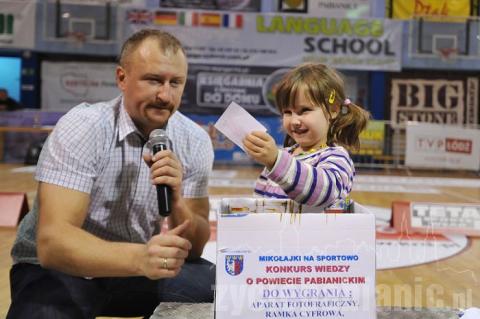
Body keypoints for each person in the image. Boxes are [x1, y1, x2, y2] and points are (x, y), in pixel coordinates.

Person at [8, 29, 214, 318]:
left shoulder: (193, 139)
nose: (165, 95)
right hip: (60, 269)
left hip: (137, 268)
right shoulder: (85, 127)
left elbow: (194, 247)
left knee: (224, 292)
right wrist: (140, 258)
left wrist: (177, 201)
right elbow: (53, 244)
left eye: (175, 83)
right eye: (153, 80)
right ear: (122, 78)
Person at [243, 63, 370, 210]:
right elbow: (260, 204)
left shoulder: (336, 157)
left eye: (304, 110)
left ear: (333, 110)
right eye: (287, 112)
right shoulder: (281, 157)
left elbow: (325, 193)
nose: (295, 121)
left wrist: (276, 161)